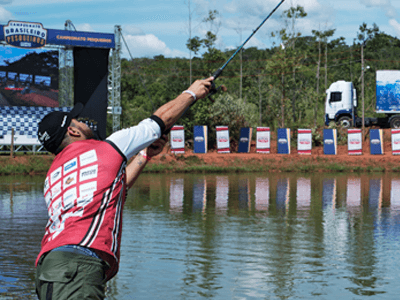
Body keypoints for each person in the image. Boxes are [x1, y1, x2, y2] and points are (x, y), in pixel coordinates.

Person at [35, 76, 214, 299]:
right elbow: (160, 120)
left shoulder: (54, 174)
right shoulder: (108, 147)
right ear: (72, 131)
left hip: (49, 268)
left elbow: (112, 190)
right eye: (76, 120)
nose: (83, 122)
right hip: (78, 267)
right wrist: (192, 93)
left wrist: (144, 156)